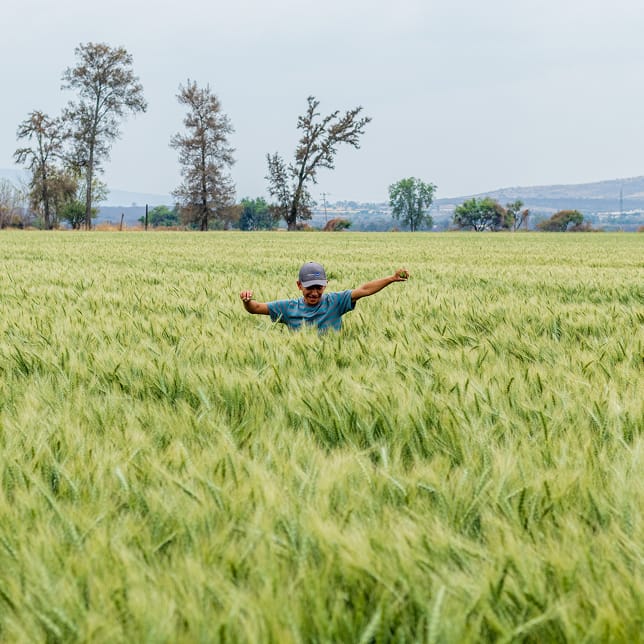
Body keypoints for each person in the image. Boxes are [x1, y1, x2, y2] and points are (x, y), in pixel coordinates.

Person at [240, 261, 409, 332]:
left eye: (319, 287)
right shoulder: (288, 308)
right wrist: (247, 301)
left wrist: (391, 279)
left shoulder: (336, 302)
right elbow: (255, 308)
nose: (314, 293)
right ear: (299, 285)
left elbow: (364, 290)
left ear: (325, 285)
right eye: (309, 287)